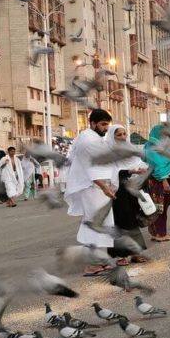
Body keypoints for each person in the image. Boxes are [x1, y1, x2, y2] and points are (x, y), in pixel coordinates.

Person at [63, 109, 119, 276]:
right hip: (92, 187)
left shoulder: (95, 138)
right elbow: (90, 168)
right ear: (92, 123)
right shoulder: (87, 139)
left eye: (107, 125)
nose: (105, 128)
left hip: (99, 187)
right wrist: (104, 186)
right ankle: (91, 265)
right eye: (102, 124)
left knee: (102, 224)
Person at [106, 124, 149, 260]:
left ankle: (135, 253)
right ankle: (121, 255)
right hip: (117, 192)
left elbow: (138, 163)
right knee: (120, 222)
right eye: (119, 135)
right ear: (112, 136)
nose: (123, 137)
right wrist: (130, 171)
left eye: (124, 134)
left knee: (132, 221)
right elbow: (110, 173)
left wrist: (140, 171)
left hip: (131, 189)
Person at [144, 124, 170, 242]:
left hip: (161, 180)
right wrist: (164, 180)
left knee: (159, 208)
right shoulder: (153, 147)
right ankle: (162, 234)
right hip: (160, 181)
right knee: (161, 209)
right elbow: (157, 165)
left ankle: (157, 232)